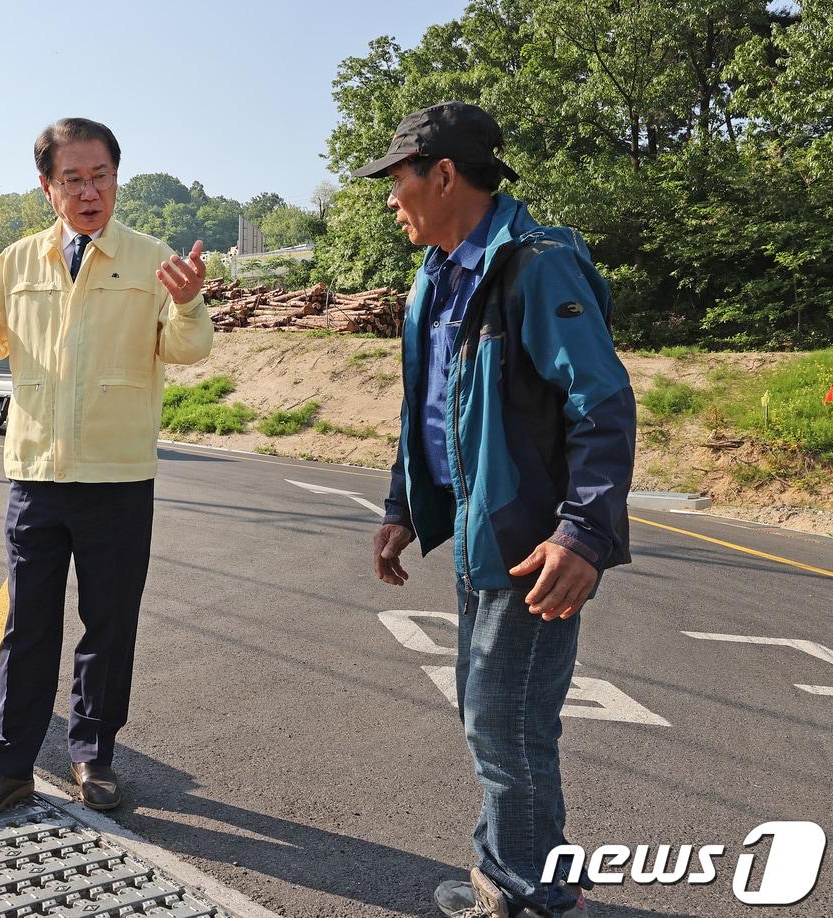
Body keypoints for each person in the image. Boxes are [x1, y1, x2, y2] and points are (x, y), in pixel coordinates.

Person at [358, 102, 636, 917]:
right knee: (497, 719)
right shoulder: (440, 272)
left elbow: (603, 404)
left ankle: (524, 894)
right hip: (483, 536)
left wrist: (582, 532)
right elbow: (433, 406)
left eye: (397, 179)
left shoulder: (535, 264)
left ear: (443, 176)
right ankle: (518, 881)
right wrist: (402, 505)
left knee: (504, 727)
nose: (388, 198)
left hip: (532, 544)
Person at [0, 117, 213, 818]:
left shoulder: (151, 258)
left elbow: (188, 347)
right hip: (37, 472)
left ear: (117, 179)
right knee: (28, 626)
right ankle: (11, 764)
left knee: (109, 626)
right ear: (48, 188)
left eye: (102, 177)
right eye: (74, 179)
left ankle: (93, 756)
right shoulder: (21, 260)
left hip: (118, 477)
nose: (90, 192)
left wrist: (187, 300)